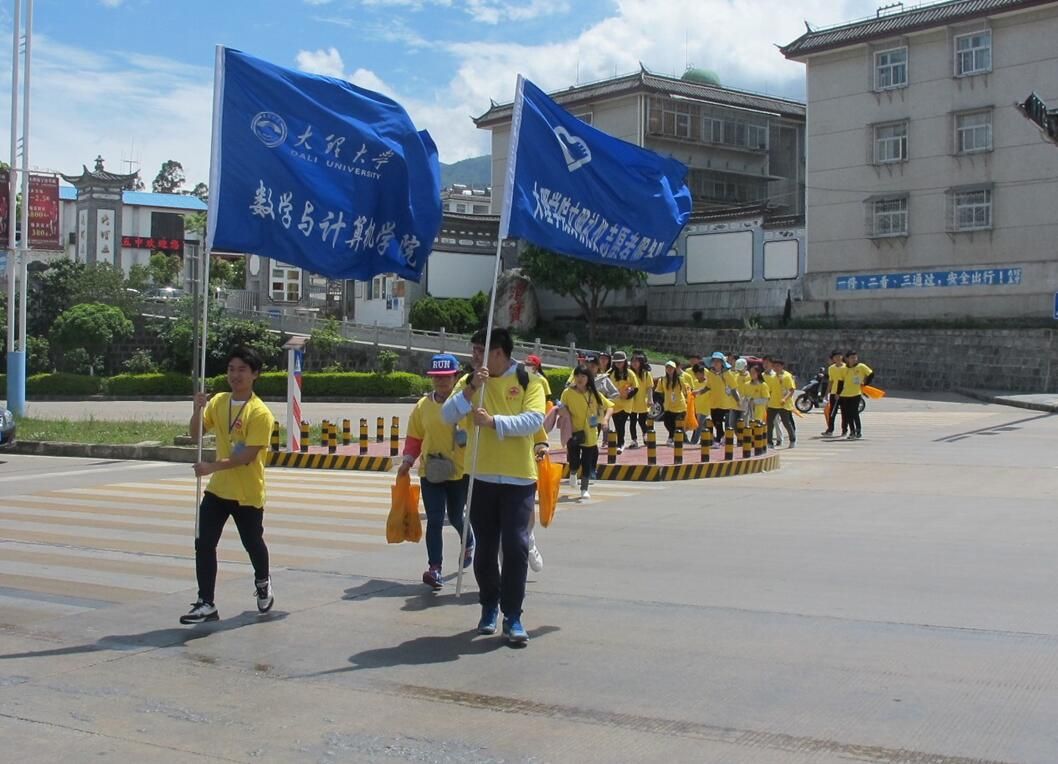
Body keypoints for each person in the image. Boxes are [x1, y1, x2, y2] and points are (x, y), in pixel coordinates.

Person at [443, 327, 545, 644]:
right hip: (481, 476)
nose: (474, 357)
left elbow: (534, 419)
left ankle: (512, 615)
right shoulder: (471, 381)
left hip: (518, 477)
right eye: (473, 350)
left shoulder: (529, 378)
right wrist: (470, 390)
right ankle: (489, 606)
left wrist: (493, 423)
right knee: (485, 550)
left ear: (499, 352)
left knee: (514, 546)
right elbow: (447, 415)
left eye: (480, 351)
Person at [182, 347, 275, 625]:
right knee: (204, 543)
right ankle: (206, 602)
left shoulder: (260, 413)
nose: (235, 375)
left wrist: (211, 467)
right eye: (231, 369)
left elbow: (246, 457)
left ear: (255, 374)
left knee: (252, 542)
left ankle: (262, 581)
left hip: (246, 492)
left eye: (242, 370)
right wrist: (197, 410)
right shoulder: (220, 401)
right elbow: (196, 433)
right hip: (218, 489)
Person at [399, 354, 475, 591]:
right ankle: (435, 568)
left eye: (446, 377)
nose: (441, 382)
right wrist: (407, 461)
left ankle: (469, 541)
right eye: (436, 378)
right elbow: (415, 436)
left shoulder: (465, 404)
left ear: (456, 377)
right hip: (431, 470)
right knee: (434, 518)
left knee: (455, 516)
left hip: (460, 471)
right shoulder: (423, 406)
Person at [560, 365, 613, 500]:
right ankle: (572, 473)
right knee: (573, 457)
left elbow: (610, 407)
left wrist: (605, 420)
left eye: (583, 376)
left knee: (587, 462)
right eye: (577, 376)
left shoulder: (594, 394)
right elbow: (561, 407)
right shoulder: (567, 393)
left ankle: (584, 489)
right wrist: (563, 412)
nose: (580, 379)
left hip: (590, 432)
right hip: (573, 431)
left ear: (588, 378)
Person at [705, 351, 740, 443]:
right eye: (714, 361)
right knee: (715, 421)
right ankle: (722, 436)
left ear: (722, 363)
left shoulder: (727, 374)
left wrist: (738, 400)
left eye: (718, 361)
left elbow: (733, 388)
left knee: (719, 421)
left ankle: (719, 439)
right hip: (713, 402)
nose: (716, 363)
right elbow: (708, 387)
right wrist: (698, 392)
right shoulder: (710, 373)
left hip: (724, 403)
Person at [607, 351, 638, 453]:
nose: (618, 364)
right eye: (616, 362)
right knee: (616, 424)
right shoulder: (610, 373)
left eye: (620, 362)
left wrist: (628, 394)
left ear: (625, 362)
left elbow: (636, 387)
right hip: (614, 403)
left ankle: (621, 444)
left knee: (622, 423)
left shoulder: (630, 373)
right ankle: (619, 442)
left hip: (626, 403)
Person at [654, 360, 689, 446]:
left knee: (678, 423)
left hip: (680, 406)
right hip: (668, 406)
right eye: (668, 368)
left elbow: (687, 391)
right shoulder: (662, 380)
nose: (669, 369)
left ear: (675, 369)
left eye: (671, 368)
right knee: (667, 423)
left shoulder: (680, 379)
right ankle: (673, 436)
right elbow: (658, 391)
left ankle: (674, 438)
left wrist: (688, 400)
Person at [840, 350, 873, 440]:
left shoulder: (861, 366)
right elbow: (840, 381)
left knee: (854, 412)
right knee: (848, 414)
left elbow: (871, 374)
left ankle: (858, 431)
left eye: (855, 357)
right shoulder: (844, 369)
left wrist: (865, 384)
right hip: (845, 394)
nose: (854, 359)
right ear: (847, 359)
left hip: (856, 393)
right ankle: (852, 431)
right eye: (852, 358)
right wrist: (838, 393)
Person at [765, 358, 797, 448]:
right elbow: (769, 390)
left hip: (784, 404)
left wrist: (784, 399)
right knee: (769, 423)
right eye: (774, 366)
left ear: (782, 366)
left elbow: (791, 390)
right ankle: (769, 442)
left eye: (778, 366)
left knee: (786, 422)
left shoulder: (787, 376)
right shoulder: (772, 377)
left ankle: (793, 439)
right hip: (772, 403)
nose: (776, 368)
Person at [628, 352, 652, 449]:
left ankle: (645, 436)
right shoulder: (629, 373)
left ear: (641, 362)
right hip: (632, 402)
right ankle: (634, 440)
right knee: (632, 422)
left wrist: (650, 399)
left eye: (636, 361)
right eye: (633, 361)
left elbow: (649, 388)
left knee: (642, 421)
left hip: (643, 402)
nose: (634, 363)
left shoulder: (646, 374)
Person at [822, 350, 846, 438]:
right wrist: (826, 393)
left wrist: (840, 393)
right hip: (833, 393)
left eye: (839, 356)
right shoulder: (831, 368)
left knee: (844, 413)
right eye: (836, 357)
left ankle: (844, 430)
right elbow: (831, 381)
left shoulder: (846, 367)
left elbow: (845, 381)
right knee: (832, 413)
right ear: (833, 359)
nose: (838, 358)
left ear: (842, 357)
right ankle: (830, 430)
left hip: (844, 394)